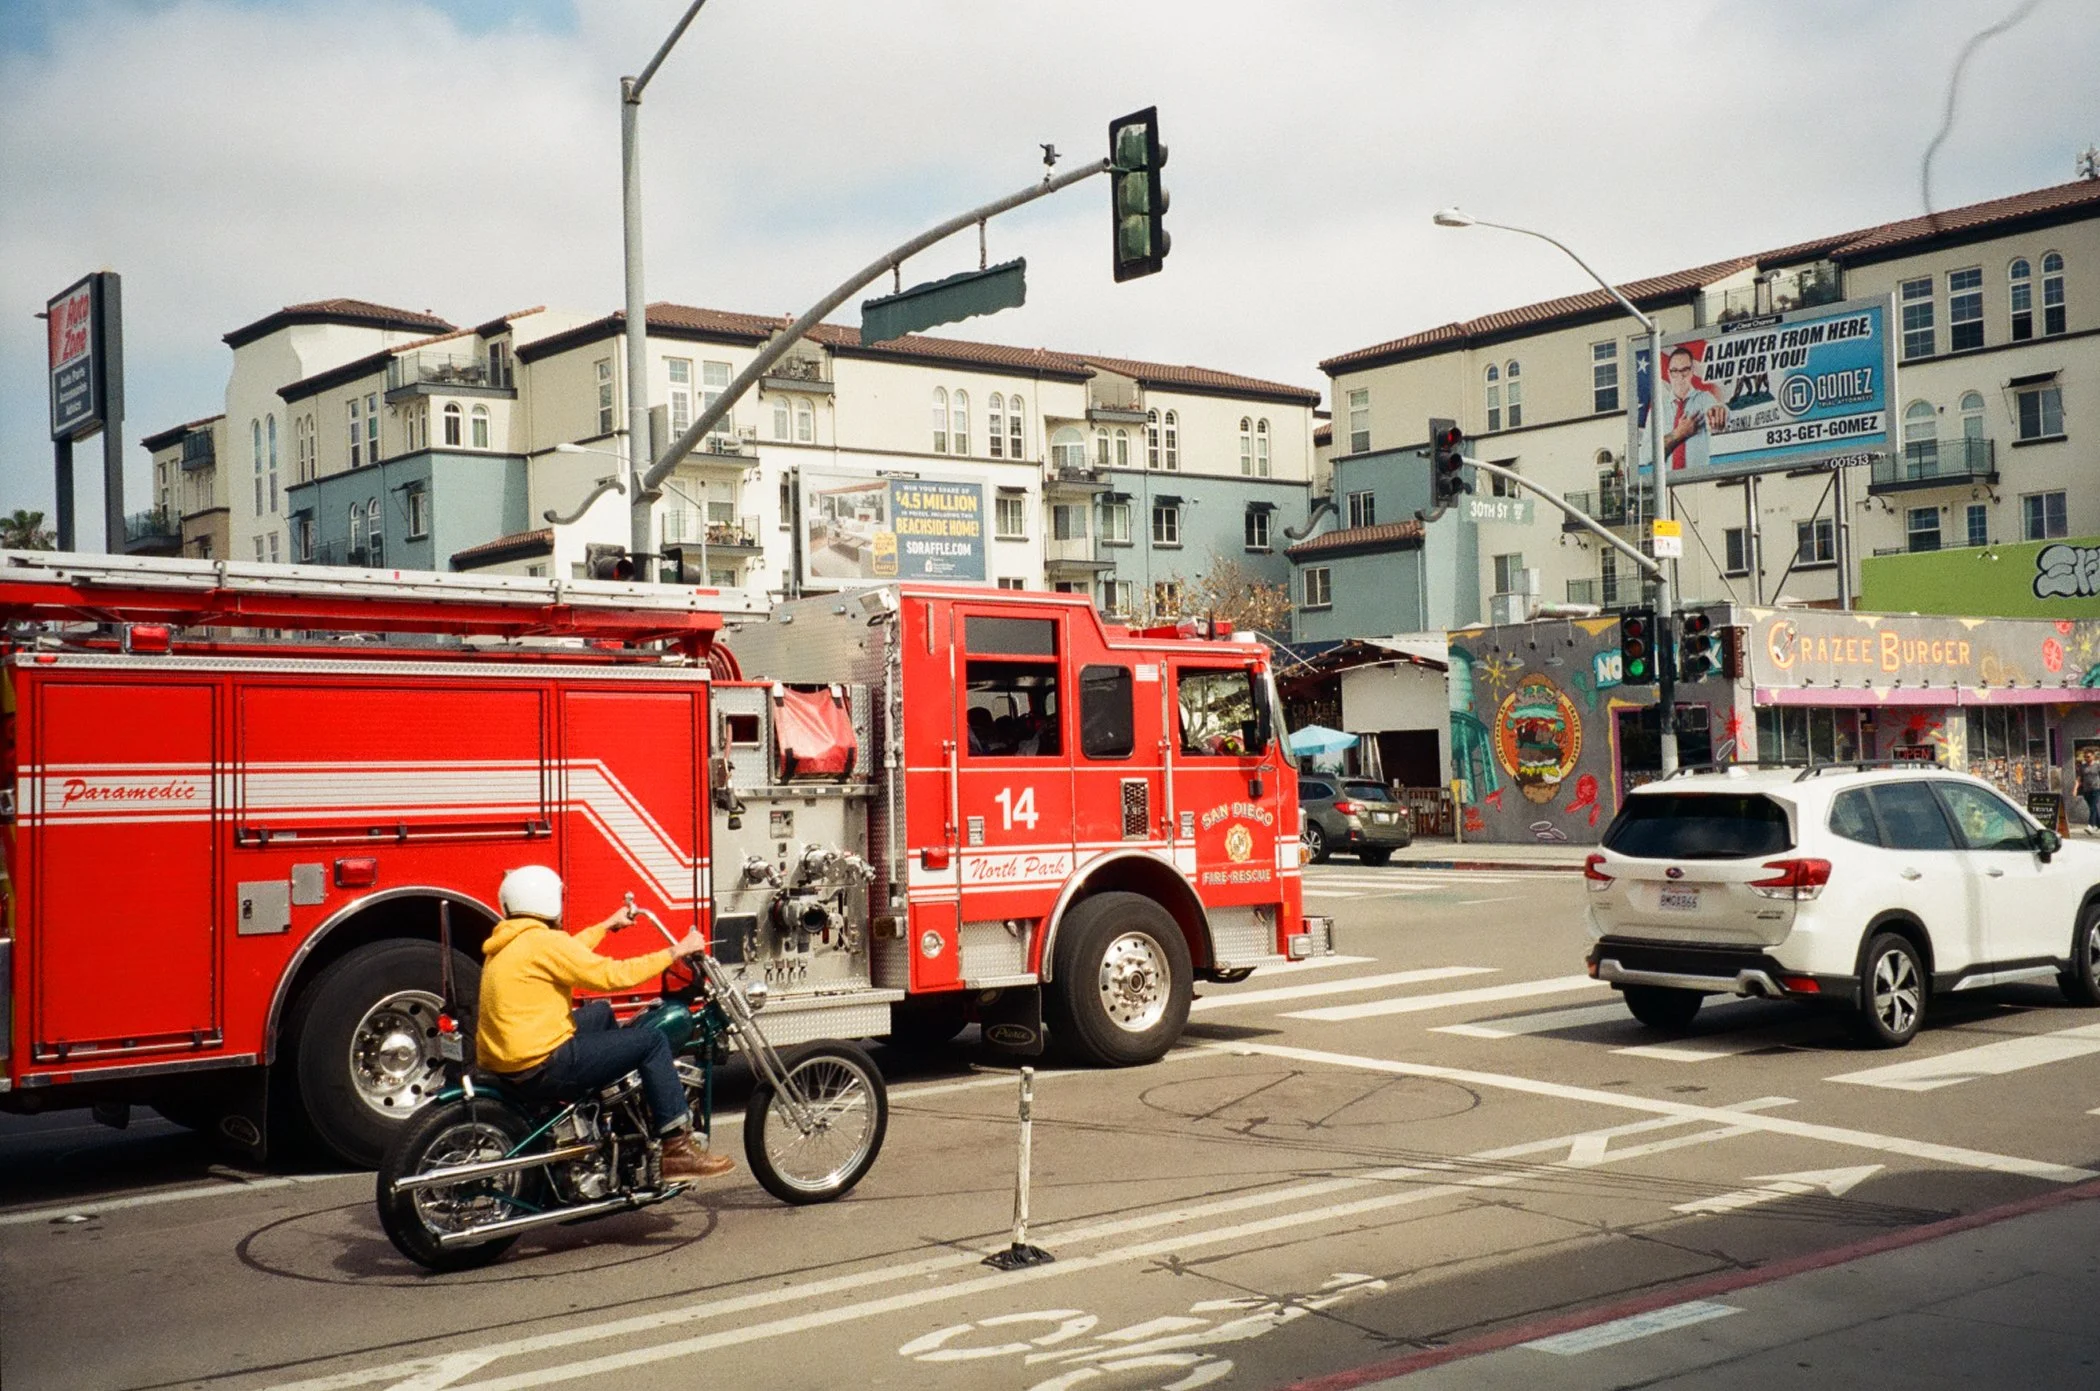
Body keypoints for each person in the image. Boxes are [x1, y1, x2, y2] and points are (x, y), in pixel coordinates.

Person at [476, 865, 732, 1182]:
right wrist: (675, 951)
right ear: (545, 900)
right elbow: (613, 976)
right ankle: (677, 1149)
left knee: (600, 1013)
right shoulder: (542, 943)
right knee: (650, 1042)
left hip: (517, 1055)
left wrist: (606, 926)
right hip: (543, 1062)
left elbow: (570, 952)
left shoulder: (513, 941)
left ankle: (620, 1111)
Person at [1660, 346, 1729, 473]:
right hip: (1666, 483)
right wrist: (1678, 434)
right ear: (1669, 374)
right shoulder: (1658, 409)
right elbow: (1647, 455)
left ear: (1692, 371)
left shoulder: (1704, 398)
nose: (1680, 377)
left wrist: (1719, 411)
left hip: (1699, 481)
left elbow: (1716, 408)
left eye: (1685, 370)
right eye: (1675, 371)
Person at [2078, 754, 2100, 835]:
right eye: (2085, 757)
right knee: (2092, 807)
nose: (2087, 758)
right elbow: (2079, 778)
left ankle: (2090, 825)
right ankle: (2098, 824)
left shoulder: (2097, 766)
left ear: (2093, 756)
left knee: (2093, 807)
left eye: (2088, 756)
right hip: (2086, 790)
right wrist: (2075, 788)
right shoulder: (2083, 767)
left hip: (2096, 789)